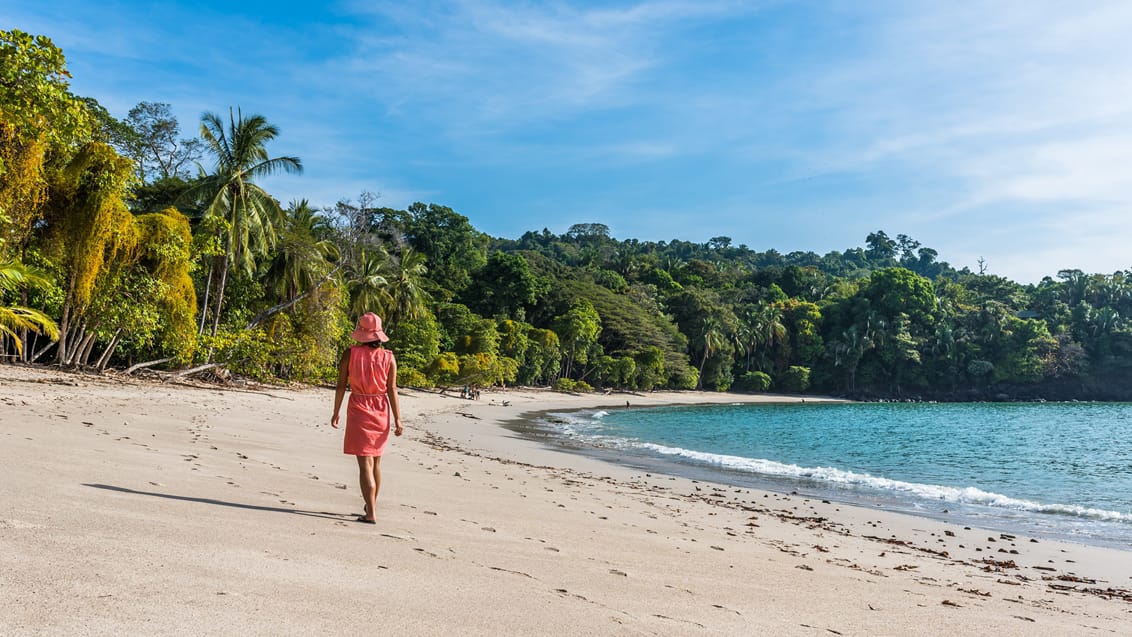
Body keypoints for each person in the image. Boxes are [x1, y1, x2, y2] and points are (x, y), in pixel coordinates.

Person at [331, 312, 403, 524]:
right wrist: (398, 419)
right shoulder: (388, 357)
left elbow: (341, 384)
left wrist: (336, 411)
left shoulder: (350, 354)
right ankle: (370, 503)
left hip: (359, 407)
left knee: (365, 465)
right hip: (381, 409)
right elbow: (392, 389)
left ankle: (370, 512)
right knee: (376, 463)